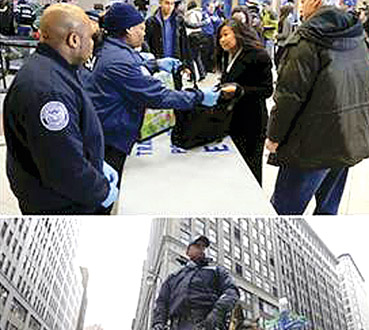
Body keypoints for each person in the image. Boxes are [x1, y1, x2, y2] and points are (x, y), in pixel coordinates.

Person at [83, 2, 220, 193]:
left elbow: (134, 63)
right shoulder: (118, 60)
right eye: (141, 28)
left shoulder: (113, 50)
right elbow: (158, 96)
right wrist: (198, 96)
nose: (144, 33)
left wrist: (155, 64)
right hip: (111, 139)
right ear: (129, 30)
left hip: (108, 129)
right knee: (107, 191)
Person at [3, 3, 119, 215]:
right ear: (74, 40)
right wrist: (102, 191)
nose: (94, 43)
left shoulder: (56, 69)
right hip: (63, 204)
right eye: (91, 37)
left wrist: (96, 162)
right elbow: (65, 169)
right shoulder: (49, 91)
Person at [265, 0, 369, 215]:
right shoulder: (358, 35)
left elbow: (289, 97)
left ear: (315, 2)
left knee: (284, 212)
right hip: (347, 137)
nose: (300, 6)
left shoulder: (306, 40)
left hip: (310, 145)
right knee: (328, 209)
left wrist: (274, 137)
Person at [216, 19, 273, 185]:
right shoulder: (230, 55)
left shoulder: (258, 55)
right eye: (220, 36)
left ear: (238, 33)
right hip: (233, 120)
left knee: (251, 169)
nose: (222, 40)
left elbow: (267, 90)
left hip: (252, 122)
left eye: (226, 34)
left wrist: (239, 90)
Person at [184, 0, 207, 80]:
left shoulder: (191, 14)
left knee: (190, 57)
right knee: (197, 57)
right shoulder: (199, 13)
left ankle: (192, 76)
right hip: (199, 35)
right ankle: (202, 73)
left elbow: (192, 25)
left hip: (192, 36)